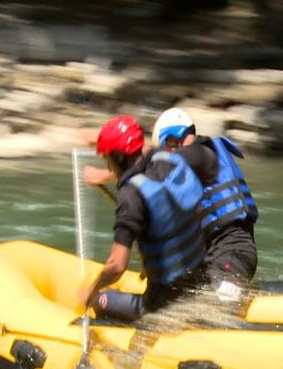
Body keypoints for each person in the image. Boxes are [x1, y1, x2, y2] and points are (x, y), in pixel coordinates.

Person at [78, 115, 210, 321]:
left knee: (100, 300)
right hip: (201, 283)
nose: (108, 166)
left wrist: (92, 290)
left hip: (163, 303)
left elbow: (117, 266)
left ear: (118, 157)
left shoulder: (130, 196)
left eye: (107, 159)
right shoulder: (166, 160)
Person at [151, 107, 259, 287]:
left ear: (172, 141)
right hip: (213, 259)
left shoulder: (199, 155)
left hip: (232, 255)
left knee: (215, 305)